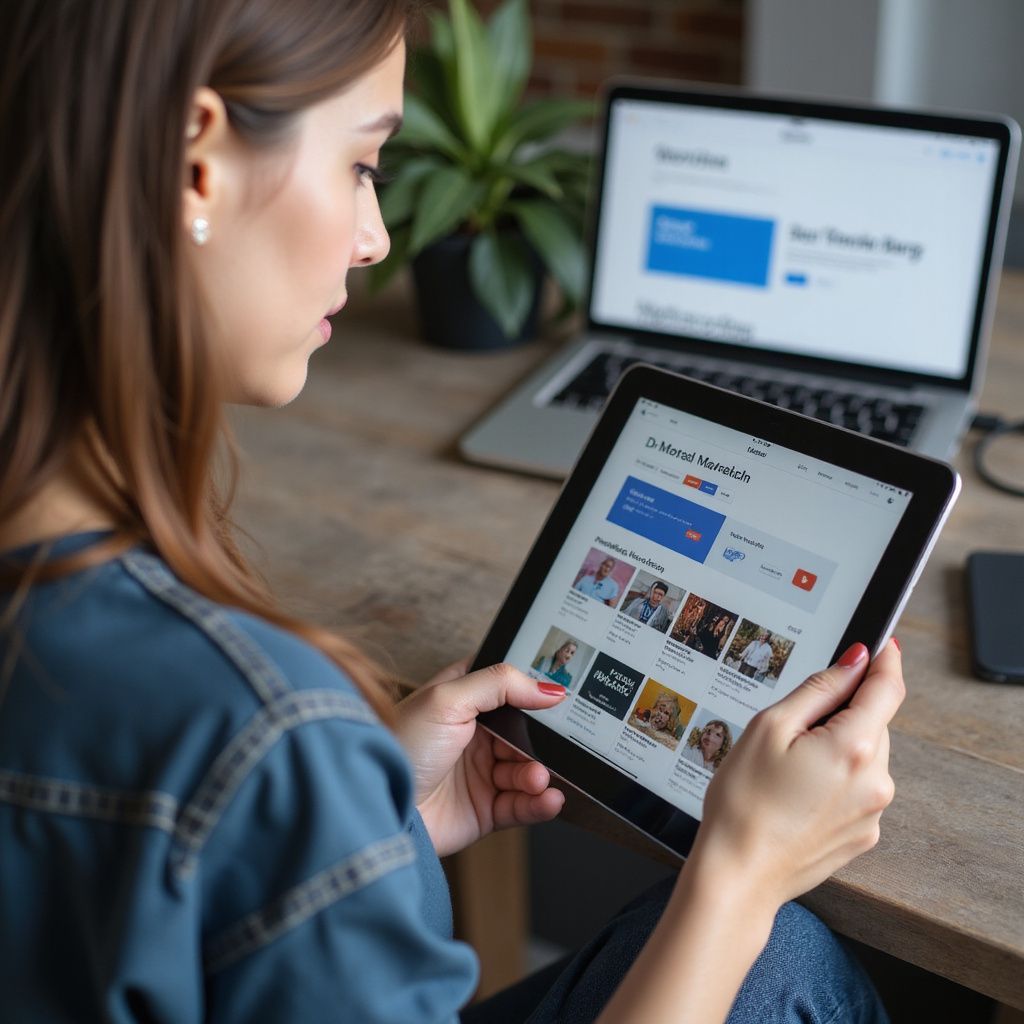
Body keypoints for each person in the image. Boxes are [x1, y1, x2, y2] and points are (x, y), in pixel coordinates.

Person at [0, 3, 905, 1021]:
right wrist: (742, 869)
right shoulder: (257, 726)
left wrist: (358, 824)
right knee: (781, 956)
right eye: (359, 164)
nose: (376, 237)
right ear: (196, 161)